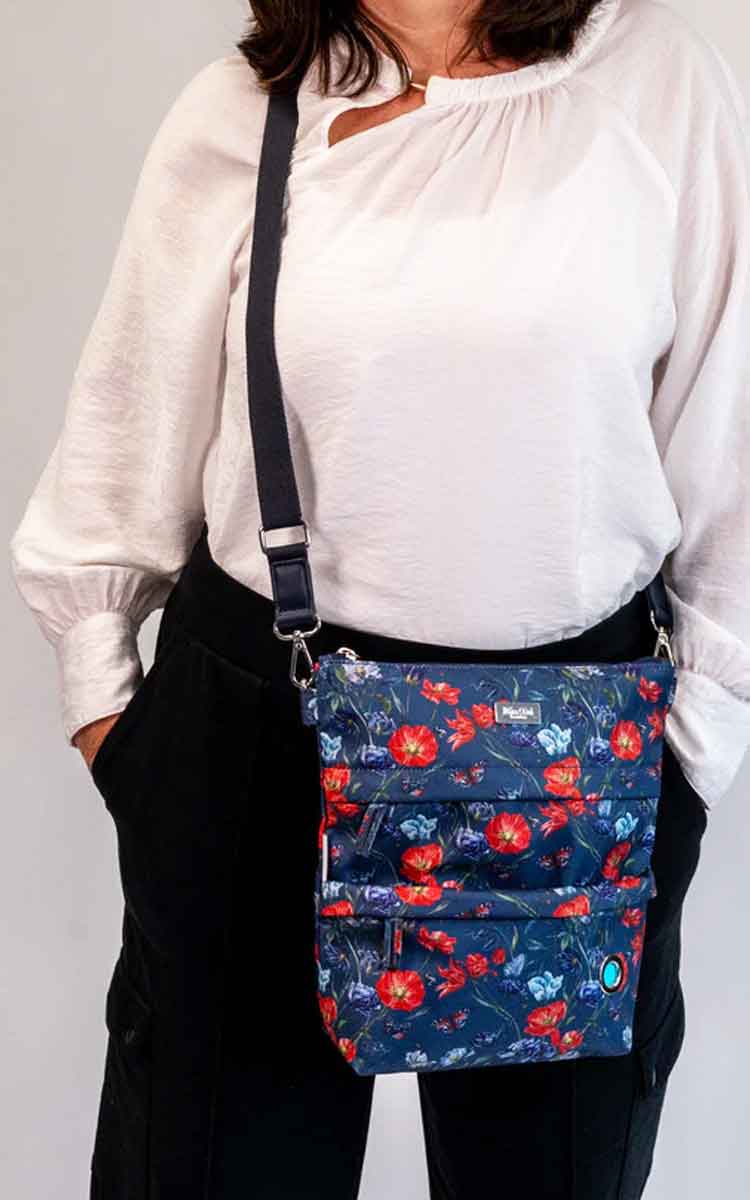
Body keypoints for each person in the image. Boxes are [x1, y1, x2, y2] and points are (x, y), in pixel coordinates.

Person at [9, 1, 749, 1197]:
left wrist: (695, 754)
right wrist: (129, 743)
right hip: (260, 747)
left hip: (570, 771)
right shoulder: (247, 110)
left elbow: (732, 452)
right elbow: (115, 457)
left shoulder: (659, 83)